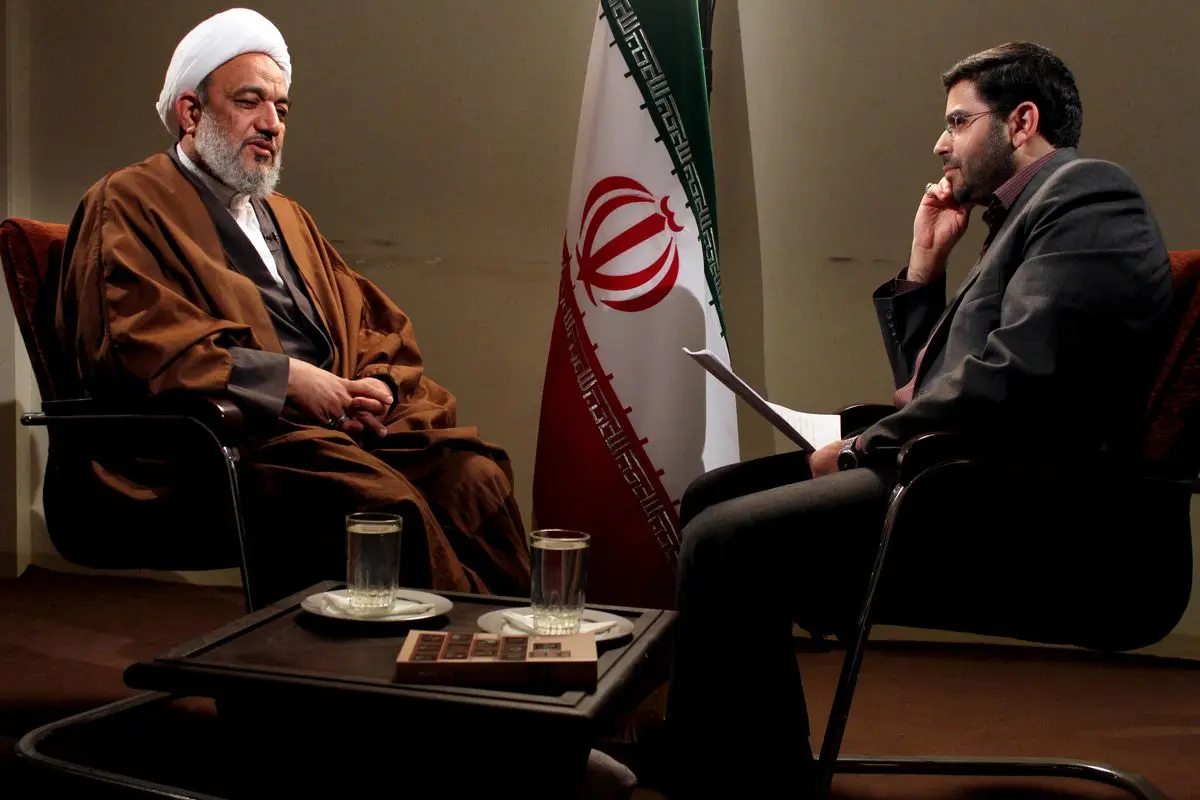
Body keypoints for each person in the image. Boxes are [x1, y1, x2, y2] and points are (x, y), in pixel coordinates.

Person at [658, 42, 1174, 797]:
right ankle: (741, 762)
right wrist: (925, 270)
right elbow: (932, 387)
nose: (940, 143)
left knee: (723, 538)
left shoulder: (1087, 195)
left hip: (1025, 507)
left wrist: (861, 447)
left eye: (958, 121)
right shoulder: (1024, 216)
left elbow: (1015, 380)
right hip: (965, 473)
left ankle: (734, 778)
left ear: (1022, 121)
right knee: (712, 498)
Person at [54, 8, 531, 603]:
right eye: (249, 102)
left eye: (281, 109)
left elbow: (370, 321)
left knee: (472, 478)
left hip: (327, 428)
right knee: (382, 504)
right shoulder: (128, 201)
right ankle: (438, 656)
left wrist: (374, 384)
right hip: (226, 442)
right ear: (191, 112)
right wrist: (287, 381)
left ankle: (516, 640)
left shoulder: (286, 215)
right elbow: (135, 343)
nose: (271, 124)